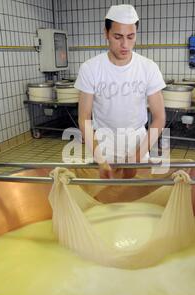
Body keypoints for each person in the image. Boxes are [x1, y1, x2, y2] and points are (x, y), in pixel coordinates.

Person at [75, 4, 166, 179]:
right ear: (106, 33)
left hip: (139, 141)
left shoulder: (148, 68)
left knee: (138, 196)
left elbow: (159, 117)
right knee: (105, 197)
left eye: (131, 37)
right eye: (118, 37)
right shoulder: (91, 69)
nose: (125, 44)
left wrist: (138, 157)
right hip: (102, 142)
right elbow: (84, 118)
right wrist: (100, 159)